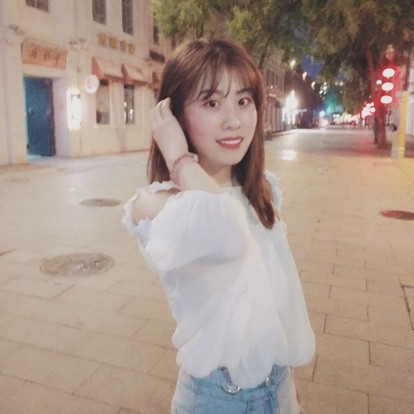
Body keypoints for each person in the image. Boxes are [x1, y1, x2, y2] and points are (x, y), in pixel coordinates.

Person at [123, 37, 315, 414]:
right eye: (212, 103)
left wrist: (288, 389)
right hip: (215, 399)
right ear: (174, 114)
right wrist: (178, 157)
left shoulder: (262, 190)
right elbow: (226, 230)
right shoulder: (157, 206)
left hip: (277, 387)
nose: (234, 121)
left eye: (243, 101)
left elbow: (273, 292)